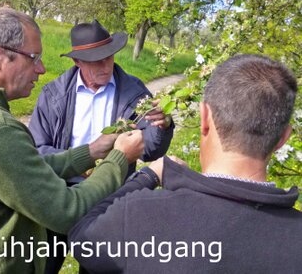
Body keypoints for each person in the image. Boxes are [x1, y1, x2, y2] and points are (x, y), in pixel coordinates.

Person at [0, 8, 145, 274]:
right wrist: (119, 158)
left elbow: (24, 168)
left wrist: (92, 151)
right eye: (33, 58)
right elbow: (67, 210)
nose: (42, 69)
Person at [69, 54, 302, 273]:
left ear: (205, 118)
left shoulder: (140, 214)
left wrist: (147, 177)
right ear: (283, 138)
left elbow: (83, 239)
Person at [29, 19, 174, 273]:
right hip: (62, 194)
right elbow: (37, 149)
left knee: (99, 269)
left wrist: (162, 126)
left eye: (109, 57)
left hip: (110, 196)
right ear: (77, 62)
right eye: (96, 60)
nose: (106, 65)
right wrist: (81, 160)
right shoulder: (54, 94)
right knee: (44, 266)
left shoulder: (135, 92)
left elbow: (151, 149)